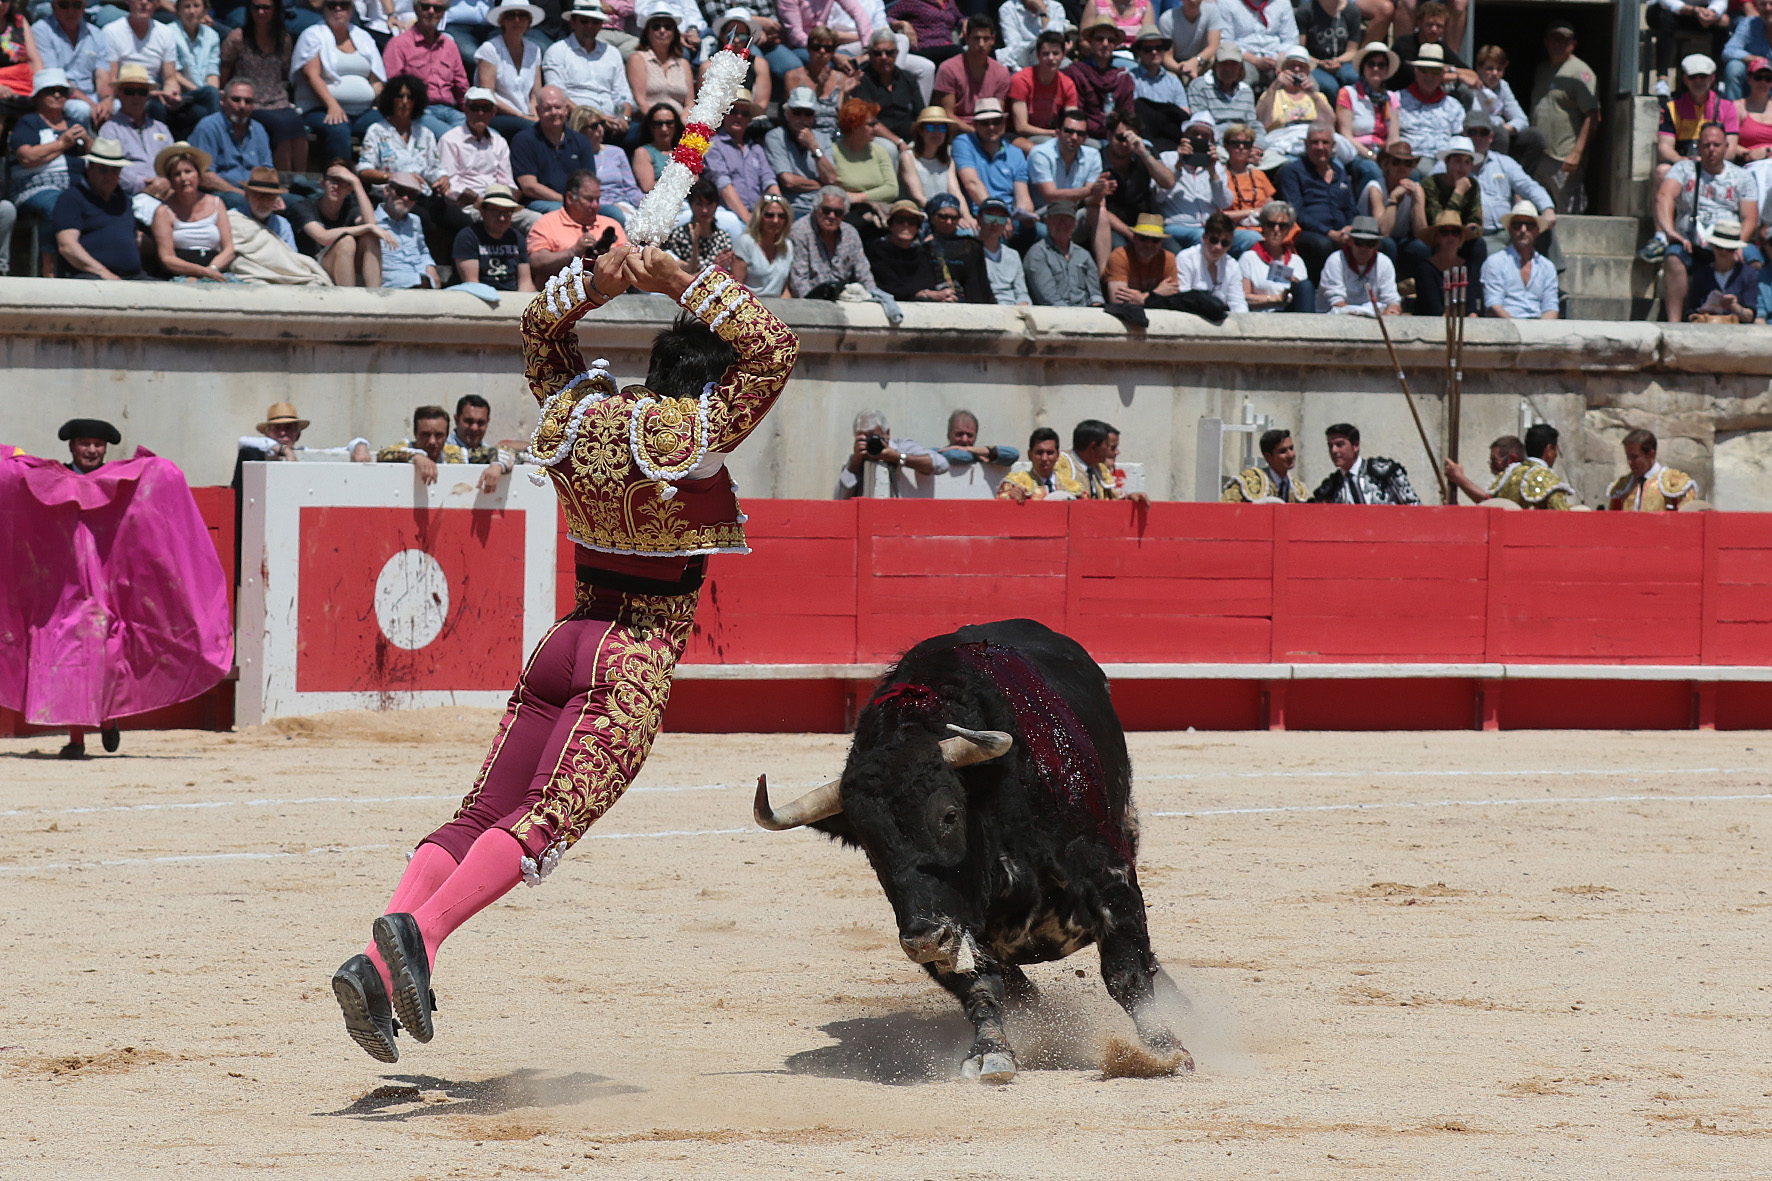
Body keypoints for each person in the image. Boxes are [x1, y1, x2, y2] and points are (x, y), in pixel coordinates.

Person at [329, 245, 798, 1064]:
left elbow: (543, 327)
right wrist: (673, 281)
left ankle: (375, 966)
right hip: (633, 658)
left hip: (564, 642)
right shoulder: (695, 436)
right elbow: (776, 348)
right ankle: (421, 937)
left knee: (480, 814)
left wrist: (600, 282)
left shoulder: (580, 418)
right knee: (545, 822)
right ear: (713, 383)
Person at [1654, 121, 1759, 319]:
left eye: (1716, 145)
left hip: (1729, 241)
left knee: (1754, 259)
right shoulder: (1684, 169)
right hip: (1692, 243)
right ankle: (1674, 324)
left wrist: (1738, 244)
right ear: (1699, 146)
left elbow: (1750, 217)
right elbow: (1664, 196)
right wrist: (1670, 232)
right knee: (1673, 258)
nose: (1711, 150)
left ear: (1726, 147)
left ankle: (1754, 315)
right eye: (1706, 145)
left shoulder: (1741, 176)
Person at [292, 0, 386, 165]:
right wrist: (332, 105)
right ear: (324, 9)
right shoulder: (313, 35)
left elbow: (376, 79)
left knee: (386, 125)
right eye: (331, 5)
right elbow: (312, 76)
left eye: (344, 5)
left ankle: (380, 180)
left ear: (352, 10)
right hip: (321, 109)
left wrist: (382, 103)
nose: (338, 9)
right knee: (338, 127)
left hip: (362, 111)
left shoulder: (363, 37)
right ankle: (340, 179)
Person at [1455, 110, 1555, 259]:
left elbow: (1529, 186)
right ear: (1464, 135)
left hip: (1508, 231)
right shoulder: (1451, 164)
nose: (1478, 137)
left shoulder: (1504, 162)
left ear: (1491, 137)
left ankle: (1551, 277)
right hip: (1474, 236)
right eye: (1473, 132)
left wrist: (1547, 208)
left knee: (1545, 227)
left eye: (1484, 132)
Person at [220, 0, 307, 173]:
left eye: (266, 7)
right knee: (281, 127)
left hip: (277, 99)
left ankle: (301, 177)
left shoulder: (283, 39)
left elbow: (284, 72)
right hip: (251, 100)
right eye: (256, 7)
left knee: (298, 125)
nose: (261, 12)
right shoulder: (237, 38)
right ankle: (286, 180)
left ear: (275, 10)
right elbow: (225, 74)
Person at [1525, 22, 1600, 214]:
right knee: (1536, 211)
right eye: (1555, 39)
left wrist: (1577, 153)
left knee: (1567, 213)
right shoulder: (1542, 70)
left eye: (1564, 40)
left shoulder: (1580, 72)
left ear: (1573, 44)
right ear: (1546, 42)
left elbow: (1593, 115)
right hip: (1539, 154)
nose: (1559, 44)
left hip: (1563, 157)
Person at [11, 69, 89, 236]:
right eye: (49, 91)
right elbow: (27, 157)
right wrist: (62, 144)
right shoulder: (29, 122)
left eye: (61, 91)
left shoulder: (74, 124)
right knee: (60, 204)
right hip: (36, 188)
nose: (56, 95)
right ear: (37, 97)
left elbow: (95, 160)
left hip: (76, 187)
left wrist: (88, 141)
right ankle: (50, 261)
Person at [52, 137, 144, 279]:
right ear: (90, 169)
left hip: (132, 277)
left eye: (115, 171)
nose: (109, 176)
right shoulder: (72, 198)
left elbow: (134, 237)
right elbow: (67, 246)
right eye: (103, 170)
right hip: (90, 277)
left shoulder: (123, 199)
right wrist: (103, 273)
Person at [1277, 120, 1356, 281]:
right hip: (1309, 233)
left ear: (1332, 145)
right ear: (1306, 144)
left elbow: (1351, 209)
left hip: (1341, 232)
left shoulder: (1340, 172)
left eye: (1325, 142)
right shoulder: (1292, 172)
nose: (1320, 147)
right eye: (1314, 142)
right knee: (1323, 244)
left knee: (1382, 244)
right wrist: (1330, 233)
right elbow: (1296, 213)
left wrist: (1350, 228)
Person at [149, 140, 237, 280]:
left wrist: (210, 271)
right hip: (181, 275)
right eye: (177, 174)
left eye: (188, 172)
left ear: (198, 175)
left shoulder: (216, 203)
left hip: (216, 271)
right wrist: (200, 272)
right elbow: (167, 258)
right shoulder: (163, 212)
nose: (184, 178)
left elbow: (229, 249)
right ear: (171, 180)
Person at [381, 0, 468, 138]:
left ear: (443, 13)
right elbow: (394, 87)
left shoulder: (450, 46)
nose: (431, 12)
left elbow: (462, 87)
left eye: (438, 9)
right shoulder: (398, 44)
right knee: (453, 139)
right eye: (426, 7)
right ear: (416, 9)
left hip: (450, 111)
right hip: (418, 111)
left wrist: (472, 113)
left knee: (491, 137)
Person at [290, 160, 385, 285]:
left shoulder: (350, 207)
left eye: (342, 182)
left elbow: (371, 224)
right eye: (333, 180)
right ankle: (348, 299)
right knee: (346, 241)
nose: (336, 186)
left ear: (350, 189)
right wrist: (367, 228)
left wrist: (356, 182)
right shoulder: (304, 206)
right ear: (323, 183)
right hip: (315, 268)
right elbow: (322, 237)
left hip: (347, 268)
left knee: (370, 238)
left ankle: (375, 298)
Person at [952, 95, 1035, 238]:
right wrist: (996, 217)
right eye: (985, 123)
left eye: (996, 122)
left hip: (1009, 218)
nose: (991, 127)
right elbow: (972, 183)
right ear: (975, 125)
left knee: (1042, 233)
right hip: (979, 216)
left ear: (1003, 123)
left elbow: (1023, 197)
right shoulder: (963, 143)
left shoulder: (1015, 153)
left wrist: (1027, 215)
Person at [543, 0, 630, 135]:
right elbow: (559, 97)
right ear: (573, 22)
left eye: (595, 22)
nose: (590, 25)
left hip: (612, 122)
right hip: (577, 123)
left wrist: (623, 118)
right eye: (584, 21)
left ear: (601, 24)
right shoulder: (557, 51)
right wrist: (596, 118)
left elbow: (623, 95)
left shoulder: (612, 53)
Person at [528, 168, 626, 280]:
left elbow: (627, 264)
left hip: (608, 294)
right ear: (570, 198)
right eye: (589, 199)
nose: (595, 205)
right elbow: (536, 263)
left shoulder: (612, 225)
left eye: (597, 199)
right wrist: (573, 252)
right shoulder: (546, 223)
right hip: (560, 294)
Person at [357, 72, 446, 194]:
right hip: (389, 196)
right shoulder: (376, 131)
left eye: (410, 97)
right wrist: (394, 177)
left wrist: (443, 179)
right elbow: (364, 170)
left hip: (420, 196)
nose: (405, 102)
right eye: (400, 96)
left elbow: (434, 169)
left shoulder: (425, 134)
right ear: (391, 99)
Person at [188, 78, 271, 207]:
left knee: (294, 201)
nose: (242, 106)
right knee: (238, 200)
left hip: (256, 194)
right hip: (221, 194)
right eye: (236, 100)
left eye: (248, 101)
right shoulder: (208, 127)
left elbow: (267, 171)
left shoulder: (259, 130)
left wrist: (270, 196)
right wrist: (243, 194)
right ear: (222, 100)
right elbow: (204, 177)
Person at [511, 84, 594, 213]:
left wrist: (579, 202)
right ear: (538, 111)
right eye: (547, 108)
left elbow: (588, 182)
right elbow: (529, 186)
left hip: (578, 202)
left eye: (558, 107)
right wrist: (566, 201)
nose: (554, 112)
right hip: (541, 202)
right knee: (560, 212)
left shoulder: (581, 141)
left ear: (566, 109)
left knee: (613, 213)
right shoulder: (523, 140)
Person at [1156, 112, 1233, 249]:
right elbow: (1158, 196)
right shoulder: (1167, 158)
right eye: (1194, 134)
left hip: (1212, 229)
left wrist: (1212, 172)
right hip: (1177, 226)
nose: (1199, 138)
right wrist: (1178, 165)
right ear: (1185, 136)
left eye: (1205, 136)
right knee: (1205, 239)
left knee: (1251, 238)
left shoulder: (1217, 166)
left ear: (1212, 142)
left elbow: (1224, 203)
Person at [836, 407, 949, 497]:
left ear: (887, 433)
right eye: (864, 438)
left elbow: (942, 464)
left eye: (873, 437)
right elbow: (839, 499)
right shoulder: (856, 460)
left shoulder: (902, 447)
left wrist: (897, 457)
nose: (870, 443)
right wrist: (855, 464)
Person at [707, 87, 779, 227]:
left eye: (745, 113)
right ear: (724, 115)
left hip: (758, 215)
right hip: (728, 214)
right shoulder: (713, 146)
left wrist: (778, 210)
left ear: (749, 119)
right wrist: (748, 219)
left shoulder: (755, 148)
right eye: (733, 112)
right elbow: (724, 186)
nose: (739, 117)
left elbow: (769, 181)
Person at [98, 0, 181, 120]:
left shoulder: (166, 33)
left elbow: (170, 78)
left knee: (200, 105)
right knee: (155, 108)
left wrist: (171, 95)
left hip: (153, 94)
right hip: (125, 93)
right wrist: (145, 94)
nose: (144, 2)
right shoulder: (111, 31)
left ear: (157, 3)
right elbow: (111, 78)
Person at [789, 184, 878, 294]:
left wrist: (873, 295)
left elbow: (864, 273)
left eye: (838, 212)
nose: (831, 216)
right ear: (816, 210)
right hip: (811, 300)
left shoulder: (850, 233)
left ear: (844, 214)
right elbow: (799, 282)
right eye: (826, 210)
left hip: (844, 298)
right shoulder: (800, 231)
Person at [236, 401, 371, 472]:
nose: (283, 433)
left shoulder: (304, 453)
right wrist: (283, 450)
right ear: (267, 433)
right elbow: (243, 442)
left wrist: (360, 445)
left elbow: (340, 451)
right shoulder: (260, 452)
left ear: (298, 434)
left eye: (288, 428)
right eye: (278, 428)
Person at [1097, 106, 1167, 242]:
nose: (1125, 144)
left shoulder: (1145, 153)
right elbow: (1099, 207)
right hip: (1113, 226)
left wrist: (1144, 154)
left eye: (1130, 138)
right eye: (1120, 138)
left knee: (1172, 251)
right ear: (1109, 135)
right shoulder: (1097, 160)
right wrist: (1131, 234)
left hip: (1145, 226)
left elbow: (1168, 182)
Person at [107, 63, 177, 198]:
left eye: (142, 92)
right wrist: (144, 186)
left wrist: (167, 182)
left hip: (167, 191)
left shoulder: (161, 128)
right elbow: (111, 169)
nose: (136, 97)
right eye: (129, 91)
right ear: (119, 94)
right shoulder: (110, 129)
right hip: (130, 195)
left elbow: (172, 162)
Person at [32, 0, 105, 129]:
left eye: (76, 5)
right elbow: (54, 77)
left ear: (84, 7)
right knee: (81, 109)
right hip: (60, 95)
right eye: (64, 5)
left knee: (117, 106)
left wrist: (107, 101)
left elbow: (103, 75)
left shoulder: (96, 34)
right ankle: (82, 147)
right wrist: (92, 105)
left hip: (91, 95)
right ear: (54, 6)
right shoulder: (41, 30)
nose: (70, 11)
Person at [1257, 45, 1333, 166]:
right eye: (1291, 66)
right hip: (1284, 147)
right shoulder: (1271, 95)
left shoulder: (1317, 96)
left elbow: (1329, 124)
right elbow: (1263, 123)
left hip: (1314, 147)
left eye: (1302, 67)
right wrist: (1274, 87)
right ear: (1282, 69)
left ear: (1308, 72)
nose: (1297, 69)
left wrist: (1313, 95)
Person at [932, 15, 1009, 133]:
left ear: (993, 39)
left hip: (989, 131)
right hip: (957, 131)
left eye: (986, 39)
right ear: (967, 39)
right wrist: (975, 132)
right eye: (976, 38)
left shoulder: (1001, 72)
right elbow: (948, 114)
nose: (981, 44)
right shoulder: (948, 69)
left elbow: (997, 113)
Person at [768, 85, 836, 217]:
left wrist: (813, 146)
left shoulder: (823, 138)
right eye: (797, 112)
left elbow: (831, 179)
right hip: (793, 207)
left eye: (808, 113)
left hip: (823, 207)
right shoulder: (776, 137)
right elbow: (788, 181)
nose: (803, 118)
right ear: (788, 113)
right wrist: (821, 184)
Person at [1310, 421, 1419, 504]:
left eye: (1340, 445)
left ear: (1355, 445)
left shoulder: (1384, 471)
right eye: (1330, 446)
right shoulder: (1331, 487)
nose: (1333, 451)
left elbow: (1415, 507)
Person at [1336, 41, 1398, 180]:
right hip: (1357, 153)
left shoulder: (1391, 97)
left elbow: (1394, 137)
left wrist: (1387, 159)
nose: (1376, 68)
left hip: (1383, 155)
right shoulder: (1347, 93)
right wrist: (1371, 156)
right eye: (1371, 64)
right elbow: (1346, 135)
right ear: (1363, 67)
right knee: (1372, 171)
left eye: (1381, 65)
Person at [453, 181, 534, 289]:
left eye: (507, 213)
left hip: (513, 298)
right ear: (483, 212)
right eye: (496, 212)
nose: (502, 218)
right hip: (480, 298)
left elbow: (525, 282)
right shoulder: (468, 237)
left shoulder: (517, 237)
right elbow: (472, 283)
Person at [850, 28, 923, 147]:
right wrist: (898, 142)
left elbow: (920, 114)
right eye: (878, 53)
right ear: (870, 54)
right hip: (877, 140)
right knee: (890, 149)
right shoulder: (862, 81)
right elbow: (870, 120)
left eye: (889, 52)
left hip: (909, 140)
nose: (884, 57)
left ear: (896, 54)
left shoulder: (907, 78)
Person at [1390, 43, 1461, 162]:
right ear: (1415, 71)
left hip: (1444, 165)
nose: (1429, 76)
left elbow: (1458, 143)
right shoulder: (1397, 99)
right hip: (1409, 163)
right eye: (1424, 70)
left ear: (1443, 74)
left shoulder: (1454, 106)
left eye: (1435, 71)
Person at [1008, 29, 1077, 151]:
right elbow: (1021, 127)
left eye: (1056, 53)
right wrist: (1052, 133)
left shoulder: (1067, 83)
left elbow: (1073, 118)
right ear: (1038, 55)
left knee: (1092, 146)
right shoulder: (1021, 80)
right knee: (1048, 144)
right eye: (1046, 54)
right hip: (1019, 136)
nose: (1051, 58)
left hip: (1052, 135)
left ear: (1063, 55)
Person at [1066, 18, 1134, 141]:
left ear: (1116, 44)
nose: (1105, 44)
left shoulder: (1123, 77)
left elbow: (1128, 115)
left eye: (1111, 40)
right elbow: (1076, 112)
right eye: (1099, 39)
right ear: (1091, 41)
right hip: (1084, 135)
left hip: (1116, 136)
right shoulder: (1076, 72)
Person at [1023, 197, 1101, 305]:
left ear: (1074, 223)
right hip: (1053, 315)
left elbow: (1096, 295)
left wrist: (1096, 307)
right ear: (1047, 221)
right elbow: (1049, 299)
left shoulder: (1084, 255)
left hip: (1085, 313)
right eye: (1057, 219)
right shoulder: (1037, 253)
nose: (1062, 225)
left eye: (1067, 220)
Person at [1317, 213, 1398, 314]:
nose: (1364, 249)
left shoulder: (1384, 262)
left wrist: (1392, 311)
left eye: (1370, 243)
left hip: (1372, 319)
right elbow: (1337, 303)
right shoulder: (1335, 260)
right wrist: (1365, 313)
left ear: (1377, 245)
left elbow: (1392, 300)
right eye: (1359, 242)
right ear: (1350, 241)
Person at [1386, 0, 1475, 92]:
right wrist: (1456, 76)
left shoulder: (1441, 47)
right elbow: (1420, 77)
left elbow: (1472, 75)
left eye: (1439, 26)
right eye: (1430, 25)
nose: (1434, 29)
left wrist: (1452, 71)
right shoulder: (1404, 44)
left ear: (1445, 28)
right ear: (1420, 23)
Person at [1682, 215, 1758, 321]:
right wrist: (1702, 313)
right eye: (1719, 247)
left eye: (1729, 249)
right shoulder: (1701, 274)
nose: (1724, 252)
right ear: (1713, 246)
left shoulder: (1749, 274)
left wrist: (1734, 307)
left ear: (1736, 249)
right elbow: (1690, 312)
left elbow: (1750, 316)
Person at [1239, 199, 1311, 311]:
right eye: (1271, 225)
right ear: (1263, 227)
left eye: (1282, 226)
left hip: (1291, 316)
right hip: (1263, 317)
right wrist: (1275, 299)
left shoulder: (1296, 261)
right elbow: (1242, 298)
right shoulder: (1249, 258)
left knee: (1305, 286)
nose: (1276, 230)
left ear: (1288, 230)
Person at [625, 0, 694, 117]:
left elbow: (690, 103)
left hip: (679, 125)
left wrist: (680, 124)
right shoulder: (638, 59)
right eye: (656, 27)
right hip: (649, 123)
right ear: (647, 32)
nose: (662, 31)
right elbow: (640, 100)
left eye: (668, 27)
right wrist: (658, 123)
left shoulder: (684, 64)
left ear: (674, 33)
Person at [1027, 106, 1101, 214]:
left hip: (1074, 213)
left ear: (1085, 138)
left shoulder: (1093, 155)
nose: (1074, 137)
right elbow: (1050, 195)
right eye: (1069, 131)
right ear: (1057, 133)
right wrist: (1091, 191)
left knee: (1099, 211)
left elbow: (1089, 199)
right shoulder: (1040, 153)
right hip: (1044, 215)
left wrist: (1100, 192)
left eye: (1080, 133)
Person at [166, 0, 223, 141]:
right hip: (181, 94)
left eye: (196, 6)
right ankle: (218, 141)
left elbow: (212, 71)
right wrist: (206, 92)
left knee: (204, 109)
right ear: (178, 10)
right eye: (186, 7)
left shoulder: (212, 36)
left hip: (205, 95)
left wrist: (213, 93)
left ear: (205, 10)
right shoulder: (168, 33)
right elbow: (174, 74)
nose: (192, 11)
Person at [921, 191, 992, 301]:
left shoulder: (971, 246)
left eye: (954, 218)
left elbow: (980, 283)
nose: (949, 222)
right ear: (932, 217)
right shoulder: (922, 245)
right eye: (943, 217)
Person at [1485, 422, 1575, 510]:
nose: (1556, 455)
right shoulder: (1548, 479)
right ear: (1549, 450)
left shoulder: (1506, 476)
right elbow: (1562, 517)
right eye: (1555, 450)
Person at [1605, 428, 1700, 511]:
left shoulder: (1674, 482)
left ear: (1651, 454)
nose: (1630, 462)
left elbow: (1686, 522)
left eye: (1634, 457)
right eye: (1628, 457)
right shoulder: (1622, 486)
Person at [1654, 0, 1732, 99]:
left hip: (1701, 12)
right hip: (1669, 9)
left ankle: (1719, 81)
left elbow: (1720, 2)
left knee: (1723, 23)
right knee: (1666, 19)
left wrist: (1712, 12)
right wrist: (1693, 10)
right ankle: (1662, 80)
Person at [1173, 208, 1247, 311]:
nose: (1218, 247)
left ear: (1230, 245)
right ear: (1204, 238)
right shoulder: (1186, 258)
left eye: (1224, 243)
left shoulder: (1233, 265)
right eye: (1214, 240)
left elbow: (1238, 303)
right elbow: (1183, 297)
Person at [1101, 210, 1179, 307]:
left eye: (1155, 241)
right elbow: (1118, 301)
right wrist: (1157, 293)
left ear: (1162, 243)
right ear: (1134, 238)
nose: (1149, 245)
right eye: (1143, 239)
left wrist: (1140, 298)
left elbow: (1173, 299)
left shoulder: (1169, 259)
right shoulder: (1119, 256)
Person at [373, 170, 437, 287]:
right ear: (387, 190)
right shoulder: (372, 221)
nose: (406, 198)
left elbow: (423, 251)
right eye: (401, 192)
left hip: (423, 282)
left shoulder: (415, 221)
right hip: (393, 287)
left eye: (412, 195)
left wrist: (429, 266)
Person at [1127, 29, 1187, 152]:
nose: (1154, 52)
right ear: (1138, 52)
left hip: (1170, 139)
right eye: (1148, 49)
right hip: (1142, 138)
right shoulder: (1130, 78)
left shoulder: (1173, 81)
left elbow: (1185, 113)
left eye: (1159, 48)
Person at [831, 95, 898, 205]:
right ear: (854, 126)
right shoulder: (833, 151)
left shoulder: (880, 151)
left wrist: (859, 197)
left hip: (877, 210)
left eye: (876, 123)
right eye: (871, 124)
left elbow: (892, 189)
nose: (876, 128)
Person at [1187, 41, 1259, 142]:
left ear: (1240, 68)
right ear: (1215, 65)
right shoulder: (1199, 86)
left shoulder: (1246, 91)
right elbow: (1201, 125)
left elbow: (1252, 124)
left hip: (1243, 145)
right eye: (1224, 64)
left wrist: (1258, 145)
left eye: (1234, 64)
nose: (1228, 69)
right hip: (1215, 143)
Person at [663, 174, 736, 270]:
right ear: (691, 204)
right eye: (699, 204)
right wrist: (695, 246)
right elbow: (682, 274)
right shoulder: (678, 236)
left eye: (709, 204)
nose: (704, 210)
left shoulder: (723, 238)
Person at [447, 392, 516, 493]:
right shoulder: (439, 447)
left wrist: (497, 465)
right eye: (469, 421)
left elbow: (511, 454)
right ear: (457, 420)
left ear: (487, 422)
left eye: (480, 423)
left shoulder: (490, 453)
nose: (474, 428)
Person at [1217, 0, 1295, 89]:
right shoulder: (1227, 2)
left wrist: (1280, 60)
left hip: (1277, 58)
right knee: (1242, 77)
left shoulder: (1282, 2)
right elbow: (1226, 42)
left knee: (1296, 78)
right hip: (1244, 58)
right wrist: (1256, 61)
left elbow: (1290, 39)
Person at [1296, 0, 1361, 102]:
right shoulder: (1305, 12)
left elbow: (1352, 50)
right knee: (1329, 86)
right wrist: (1320, 63)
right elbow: (1301, 50)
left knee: (1352, 77)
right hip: (1314, 63)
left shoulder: (1352, 11)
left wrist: (1338, 60)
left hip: (1342, 61)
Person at [1059, 418, 1139, 500]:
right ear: (1093, 447)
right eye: (1107, 445)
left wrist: (1127, 500)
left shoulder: (1099, 469)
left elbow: (1108, 506)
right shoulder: (1061, 464)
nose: (1109, 450)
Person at [732, 191, 795, 294]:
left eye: (781, 216)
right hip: (749, 305)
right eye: (769, 215)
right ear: (759, 216)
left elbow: (785, 289)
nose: (775, 220)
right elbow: (736, 287)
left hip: (779, 306)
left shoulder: (788, 246)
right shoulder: (745, 242)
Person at [1220, 426, 1305, 501]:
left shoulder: (1297, 488)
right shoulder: (1246, 483)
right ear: (1268, 456)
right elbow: (1224, 512)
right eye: (1282, 451)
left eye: (1291, 448)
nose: (1291, 455)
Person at [1468, 45, 1526, 153]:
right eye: (1490, 68)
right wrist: (1499, 123)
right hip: (1476, 136)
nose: (1495, 73)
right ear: (1479, 68)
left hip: (1498, 134)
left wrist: (1507, 128)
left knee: (1534, 136)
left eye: (1499, 69)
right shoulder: (1472, 86)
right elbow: (1477, 118)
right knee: (1500, 134)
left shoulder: (1503, 86)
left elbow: (1522, 119)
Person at [997, 426, 1080, 500]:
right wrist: (1012, 499)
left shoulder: (1073, 487)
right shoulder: (1014, 484)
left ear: (1057, 455)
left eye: (1050, 453)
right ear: (1030, 455)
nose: (1044, 458)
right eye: (1039, 452)